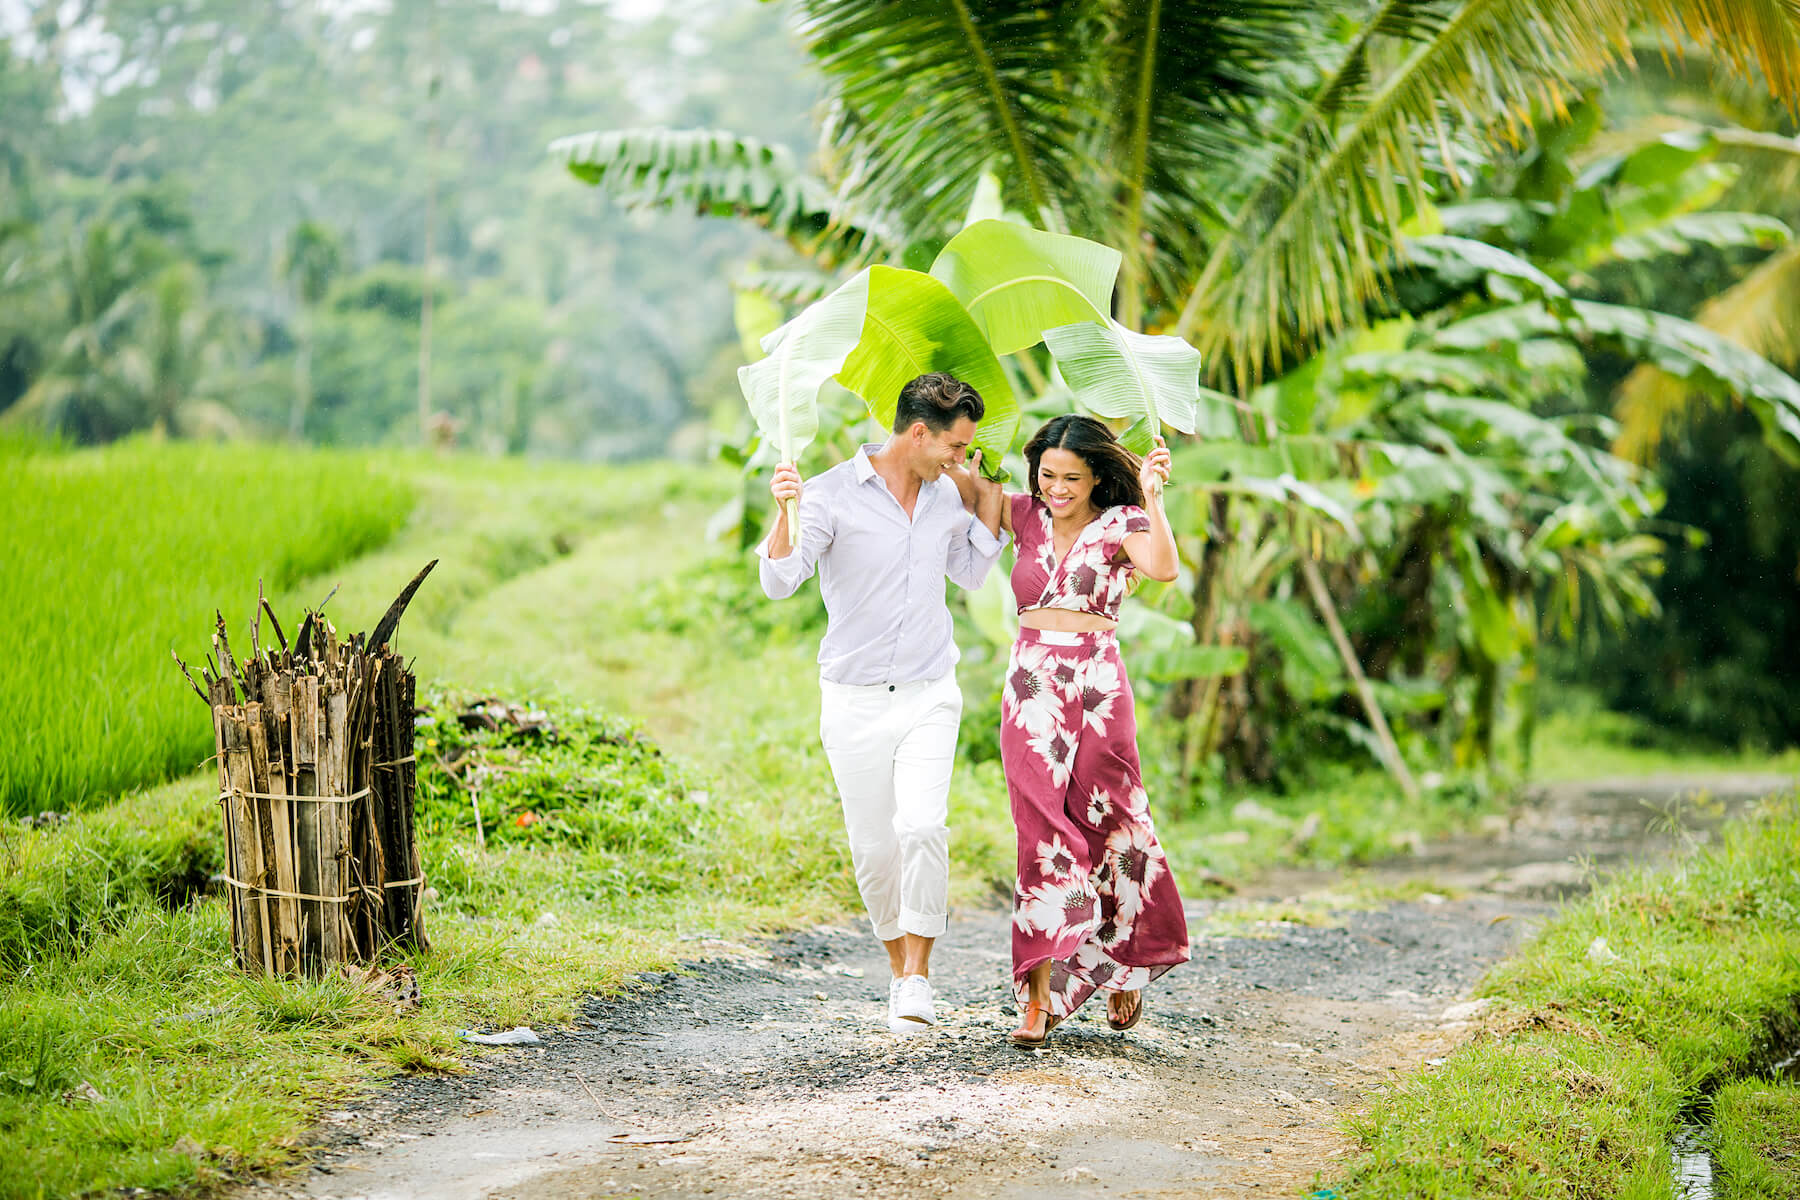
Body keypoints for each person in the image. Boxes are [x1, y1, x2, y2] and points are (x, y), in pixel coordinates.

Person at [759, 372, 1008, 1035]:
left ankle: (919, 977)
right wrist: (784, 510)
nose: (961, 458)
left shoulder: (948, 495)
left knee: (922, 827)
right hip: (853, 699)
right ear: (919, 433)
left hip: (930, 690)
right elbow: (781, 580)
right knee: (875, 850)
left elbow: (971, 571)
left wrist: (986, 498)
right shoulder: (831, 494)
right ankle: (899, 972)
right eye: (956, 448)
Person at [992, 414, 1191, 1047]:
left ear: (1098, 476)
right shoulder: (1022, 514)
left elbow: (1162, 569)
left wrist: (1154, 499)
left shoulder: (1122, 523)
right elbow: (946, 476)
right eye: (1047, 475)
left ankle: (1126, 961)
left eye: (1071, 478)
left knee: (1117, 821)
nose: (1057, 487)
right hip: (1031, 689)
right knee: (1039, 831)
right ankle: (1037, 996)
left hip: (1098, 685)